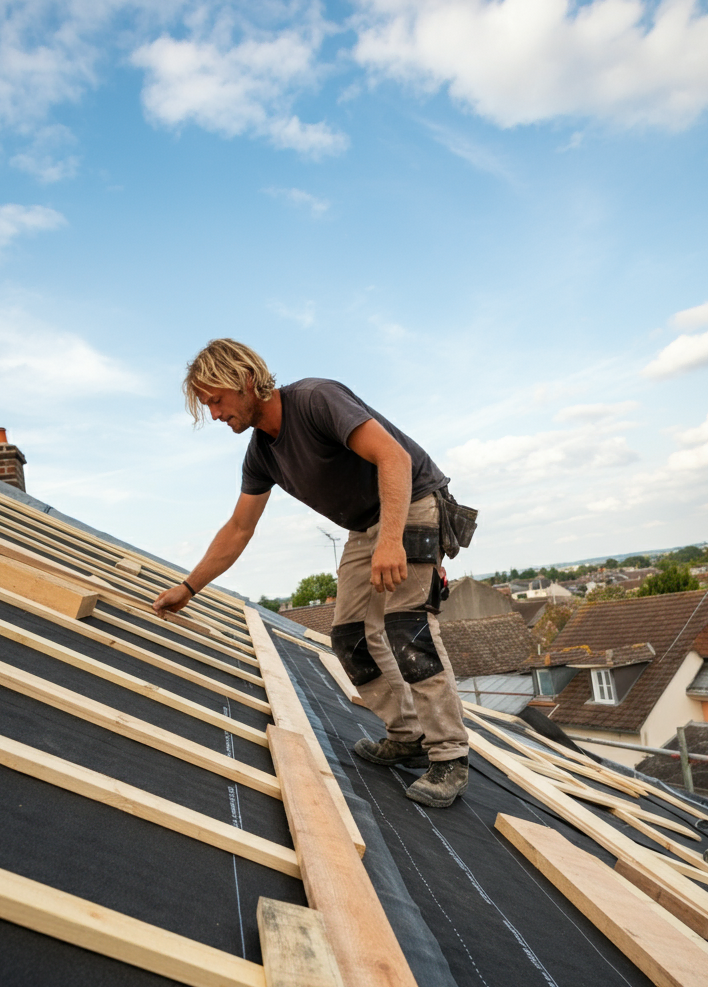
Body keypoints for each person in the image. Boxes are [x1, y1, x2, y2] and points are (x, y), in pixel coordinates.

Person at [153, 338, 471, 808]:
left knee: (408, 629)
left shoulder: (315, 399)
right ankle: (407, 735)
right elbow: (239, 528)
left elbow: (395, 458)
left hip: (413, 503)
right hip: (367, 525)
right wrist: (188, 587)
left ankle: (449, 756)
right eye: (207, 406)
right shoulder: (262, 453)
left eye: (216, 400)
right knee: (348, 636)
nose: (216, 414)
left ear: (244, 380)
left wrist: (390, 541)